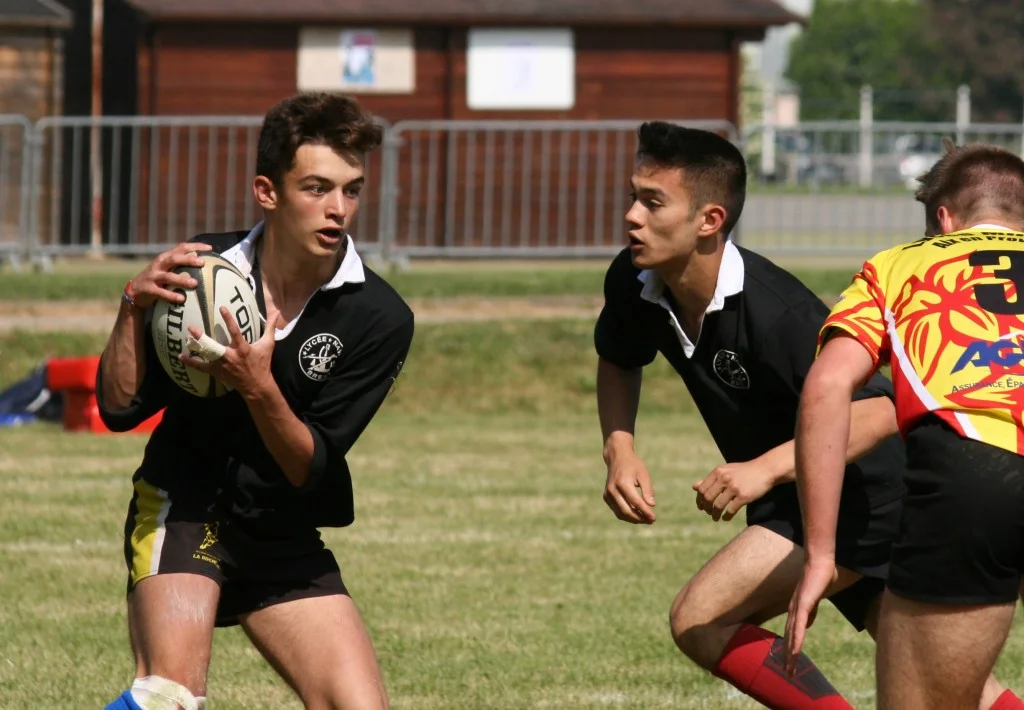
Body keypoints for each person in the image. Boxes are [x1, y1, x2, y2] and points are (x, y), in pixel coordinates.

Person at [594, 122, 1014, 709]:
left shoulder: (778, 311)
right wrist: (621, 448)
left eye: (653, 201)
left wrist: (764, 469)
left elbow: (877, 411)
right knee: (954, 689)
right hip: (812, 498)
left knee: (701, 618)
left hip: (867, 498)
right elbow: (618, 357)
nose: (632, 216)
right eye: (633, 195)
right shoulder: (635, 279)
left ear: (709, 221)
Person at [97, 92, 414, 710]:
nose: (337, 209)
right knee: (168, 696)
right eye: (317, 188)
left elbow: (308, 465)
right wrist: (132, 305)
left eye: (351, 190)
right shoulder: (199, 273)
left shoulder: (378, 316)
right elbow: (118, 408)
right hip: (186, 502)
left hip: (280, 526)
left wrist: (257, 383)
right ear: (267, 192)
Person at [786, 143, 1024, 710]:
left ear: (943, 219)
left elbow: (826, 387)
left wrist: (821, 555)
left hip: (980, 467)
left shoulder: (899, 264)